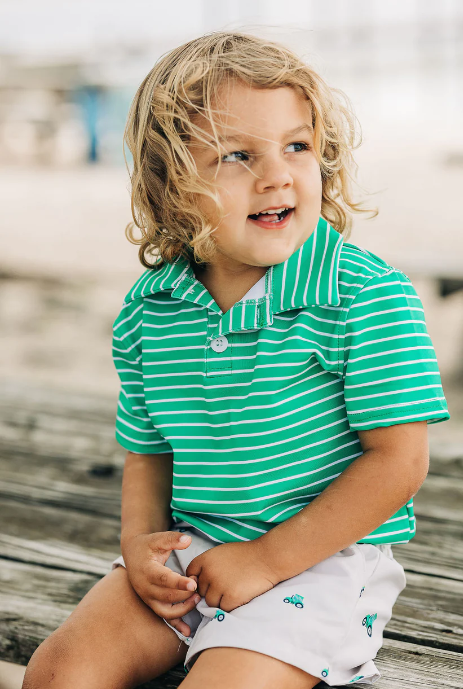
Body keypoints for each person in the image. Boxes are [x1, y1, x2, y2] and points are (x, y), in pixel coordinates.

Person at [22, 30, 449, 689]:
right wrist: (139, 545)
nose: (276, 173)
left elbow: (399, 459)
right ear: (171, 188)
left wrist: (268, 559)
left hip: (319, 561)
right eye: (236, 155)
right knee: (56, 673)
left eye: (297, 146)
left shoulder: (362, 295)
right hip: (191, 551)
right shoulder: (151, 308)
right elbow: (148, 449)